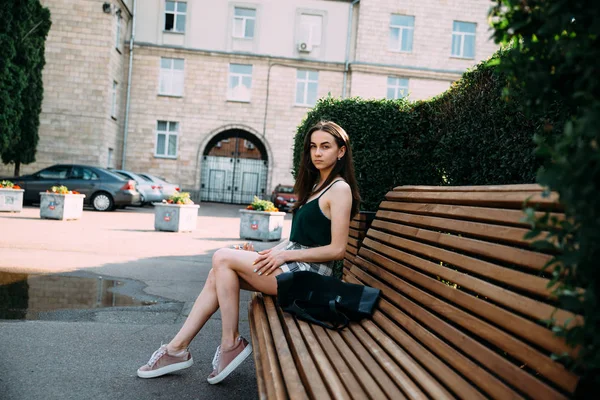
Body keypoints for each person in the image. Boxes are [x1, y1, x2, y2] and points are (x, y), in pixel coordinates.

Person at [137, 120, 360, 384]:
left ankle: (228, 343)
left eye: (325, 146)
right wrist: (266, 252)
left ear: (341, 151)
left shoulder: (340, 189)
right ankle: (177, 348)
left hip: (313, 278)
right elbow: (297, 241)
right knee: (218, 273)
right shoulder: (315, 187)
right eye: (313, 146)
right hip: (294, 267)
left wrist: (285, 256)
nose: (317, 153)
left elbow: (337, 249)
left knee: (222, 257)